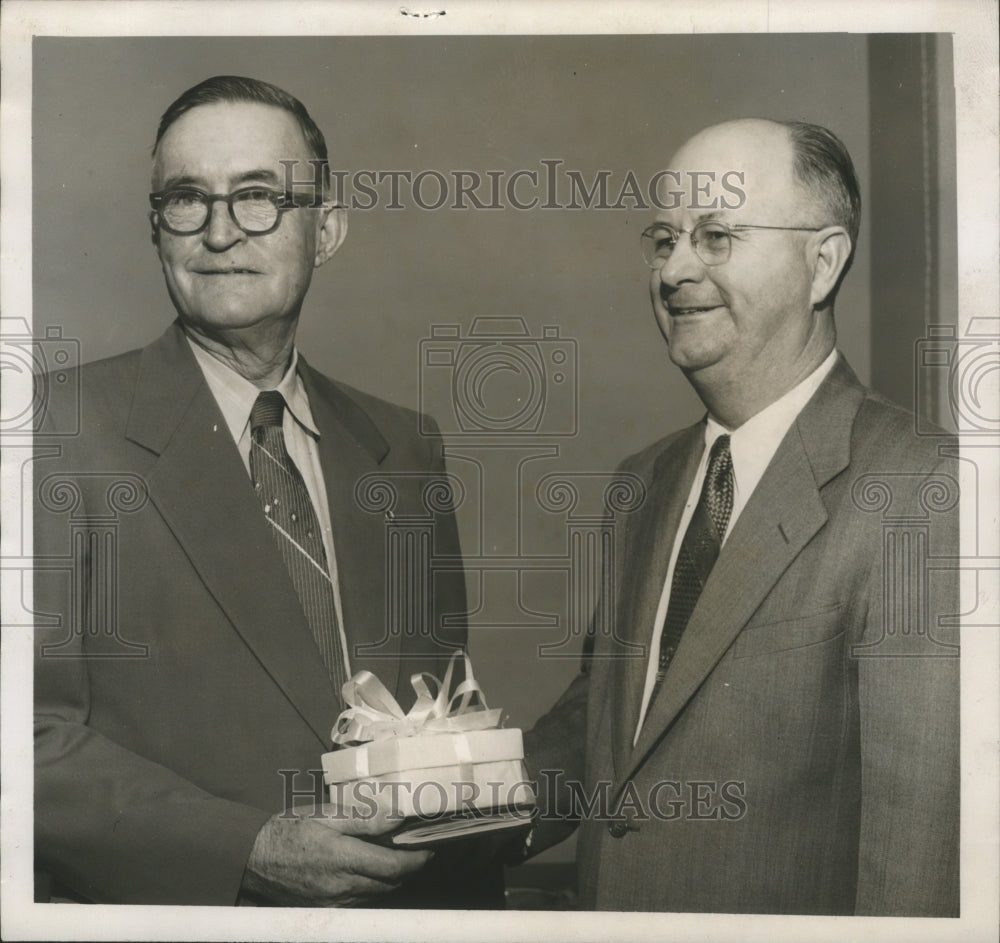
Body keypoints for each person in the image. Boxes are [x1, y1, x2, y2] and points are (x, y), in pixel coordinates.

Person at [33, 75, 500, 908]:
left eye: (258, 197)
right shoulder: (53, 431)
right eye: (186, 199)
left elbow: (435, 725)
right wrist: (244, 847)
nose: (219, 231)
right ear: (156, 230)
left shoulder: (404, 451)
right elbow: (21, 739)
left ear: (327, 230)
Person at [522, 118, 959, 915]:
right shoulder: (643, 482)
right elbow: (618, 721)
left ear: (821, 262)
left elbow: (917, 850)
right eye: (664, 239)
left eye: (717, 235)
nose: (675, 270)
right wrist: (451, 797)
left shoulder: (922, 486)